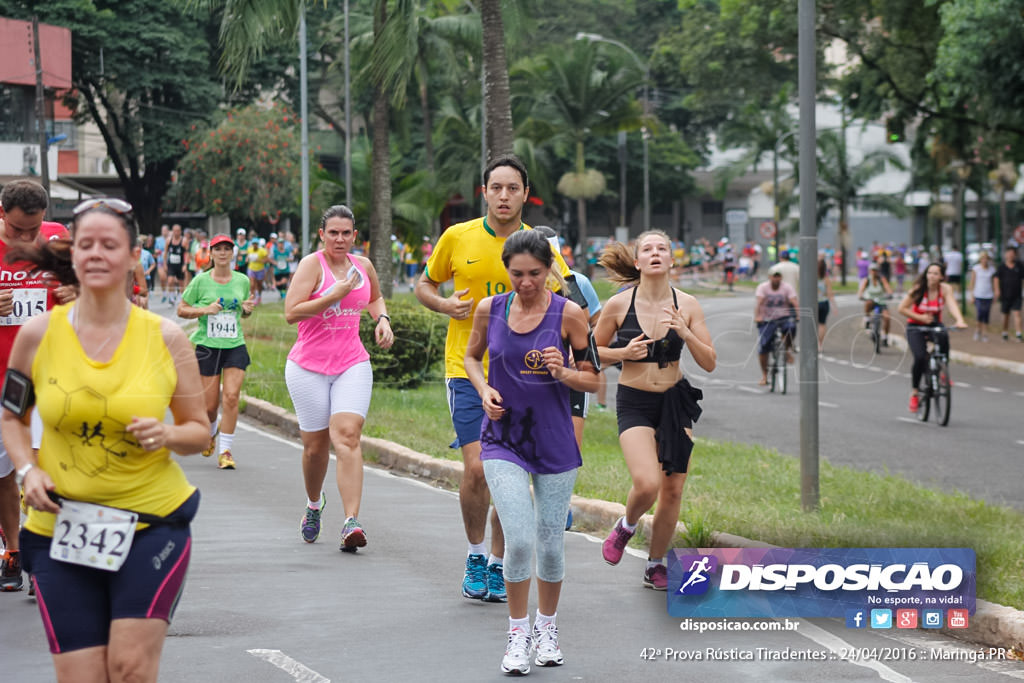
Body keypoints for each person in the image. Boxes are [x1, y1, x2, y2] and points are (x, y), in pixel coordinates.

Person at [0, 197, 209, 682]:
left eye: (109, 245)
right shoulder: (38, 336)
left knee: (129, 669)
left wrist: (167, 432)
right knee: (83, 677)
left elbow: (198, 431)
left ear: (134, 257)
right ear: (71, 256)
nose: (96, 254)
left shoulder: (166, 337)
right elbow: (12, 418)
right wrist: (28, 471)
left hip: (149, 525)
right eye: (85, 244)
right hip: (60, 528)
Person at [415, 154, 570, 603]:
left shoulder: (541, 245)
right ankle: (475, 555)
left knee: (512, 473)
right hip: (468, 368)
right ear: (485, 192)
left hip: (526, 376)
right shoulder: (456, 237)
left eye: (513, 188)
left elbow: (562, 302)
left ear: (526, 193)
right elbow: (425, 285)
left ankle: (502, 564)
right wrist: (444, 305)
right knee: (479, 467)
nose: (504, 196)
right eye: (496, 188)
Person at [465, 230, 598, 675]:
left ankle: (548, 626)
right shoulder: (490, 309)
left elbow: (594, 378)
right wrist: (483, 390)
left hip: (554, 438)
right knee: (519, 539)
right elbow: (471, 358)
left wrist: (565, 373)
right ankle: (517, 633)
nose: (525, 282)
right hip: (503, 438)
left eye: (535, 274)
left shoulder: (570, 313)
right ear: (506, 270)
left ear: (549, 271)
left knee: (550, 542)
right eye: (517, 273)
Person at [593, 230, 716, 590]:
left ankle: (656, 563)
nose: (656, 253)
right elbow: (587, 354)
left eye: (663, 248)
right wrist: (622, 354)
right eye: (647, 249)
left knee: (673, 488)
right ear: (638, 262)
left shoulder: (688, 304)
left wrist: (686, 333)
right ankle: (626, 526)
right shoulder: (618, 305)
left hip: (674, 402)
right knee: (647, 483)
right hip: (635, 401)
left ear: (672, 260)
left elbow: (709, 362)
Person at [285, 205, 393, 552]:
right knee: (315, 448)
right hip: (308, 367)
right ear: (322, 234)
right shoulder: (310, 266)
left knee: (347, 437)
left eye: (346, 233)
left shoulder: (364, 267)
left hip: (352, 363)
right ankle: (314, 504)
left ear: (354, 235)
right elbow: (290, 313)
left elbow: (375, 297)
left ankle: (351, 522)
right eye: (333, 232)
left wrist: (382, 320)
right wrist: (330, 296)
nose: (340, 239)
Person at [0, 182, 74, 593]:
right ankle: (13, 551)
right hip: (1, 375)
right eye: (17, 231)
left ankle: (41, 555)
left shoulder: (56, 238)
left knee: (46, 468)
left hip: (50, 375)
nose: (28, 239)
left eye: (35, 229)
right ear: (2, 214)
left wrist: (72, 293)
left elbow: (86, 290)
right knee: (5, 474)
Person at [177, 234, 256, 470]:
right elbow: (182, 309)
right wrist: (205, 310)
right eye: (218, 249)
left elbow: (245, 311)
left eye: (227, 249)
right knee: (210, 406)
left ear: (233, 254)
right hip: (207, 346)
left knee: (231, 397)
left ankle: (226, 451)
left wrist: (247, 309)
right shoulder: (200, 281)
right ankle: (211, 432)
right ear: (210, 254)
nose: (223, 253)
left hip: (234, 345)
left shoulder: (242, 280)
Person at [897, 263, 968, 412]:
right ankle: (915, 392)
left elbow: (952, 305)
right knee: (920, 357)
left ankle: (943, 369)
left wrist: (960, 320)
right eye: (930, 273)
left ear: (942, 276)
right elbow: (901, 308)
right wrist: (920, 317)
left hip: (934, 325)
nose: (932, 276)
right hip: (915, 326)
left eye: (936, 274)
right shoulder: (918, 289)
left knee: (943, 336)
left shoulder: (945, 289)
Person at [754, 269, 799, 385]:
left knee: (791, 328)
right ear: (770, 277)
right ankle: (764, 375)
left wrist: (798, 315)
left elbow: (794, 301)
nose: (776, 279)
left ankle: (786, 350)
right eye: (774, 276)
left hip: (784, 317)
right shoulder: (763, 287)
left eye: (778, 276)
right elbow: (759, 303)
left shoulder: (786, 287)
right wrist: (758, 316)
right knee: (764, 346)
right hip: (767, 319)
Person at [857, 262, 894, 346]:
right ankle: (867, 318)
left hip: (881, 301)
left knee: (887, 317)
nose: (874, 272)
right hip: (871, 300)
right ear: (869, 271)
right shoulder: (867, 280)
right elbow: (861, 290)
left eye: (875, 270)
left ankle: (885, 336)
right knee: (868, 303)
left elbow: (887, 287)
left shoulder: (881, 279)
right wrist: (860, 295)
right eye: (872, 270)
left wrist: (890, 294)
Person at [995, 245, 1023, 341]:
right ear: (1006, 255)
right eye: (1009, 254)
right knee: (1005, 315)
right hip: (1005, 295)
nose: (1011, 256)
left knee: (1017, 314)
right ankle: (1005, 332)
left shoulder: (1019, 266)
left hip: (1017, 295)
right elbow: (996, 278)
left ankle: (1018, 333)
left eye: (1013, 254)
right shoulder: (1001, 267)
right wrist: (997, 290)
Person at [969, 251, 996, 342]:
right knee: (980, 313)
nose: (984, 260)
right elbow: (972, 282)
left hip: (988, 295)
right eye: (983, 258)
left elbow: (994, 283)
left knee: (986, 314)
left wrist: (995, 293)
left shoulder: (992, 269)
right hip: (978, 295)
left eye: (986, 258)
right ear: (980, 259)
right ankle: (977, 330)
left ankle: (985, 333)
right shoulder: (976, 269)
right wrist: (972, 295)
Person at [816, 256, 837, 350]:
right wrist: (834, 306)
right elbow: (830, 293)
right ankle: (820, 344)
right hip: (824, 303)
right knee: (822, 324)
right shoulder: (826, 279)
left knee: (812, 324)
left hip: (814, 303)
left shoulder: (811, 278)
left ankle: (813, 341)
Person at [164, 224, 186, 305]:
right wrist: (165, 264)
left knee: (181, 282)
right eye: (174, 231)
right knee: (170, 281)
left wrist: (185, 265)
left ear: (180, 231)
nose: (176, 233)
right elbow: (165, 252)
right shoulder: (168, 240)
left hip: (180, 264)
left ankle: (180, 297)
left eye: (178, 231)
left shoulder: (184, 241)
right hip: (171, 264)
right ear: (172, 231)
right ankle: (171, 297)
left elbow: (186, 253)